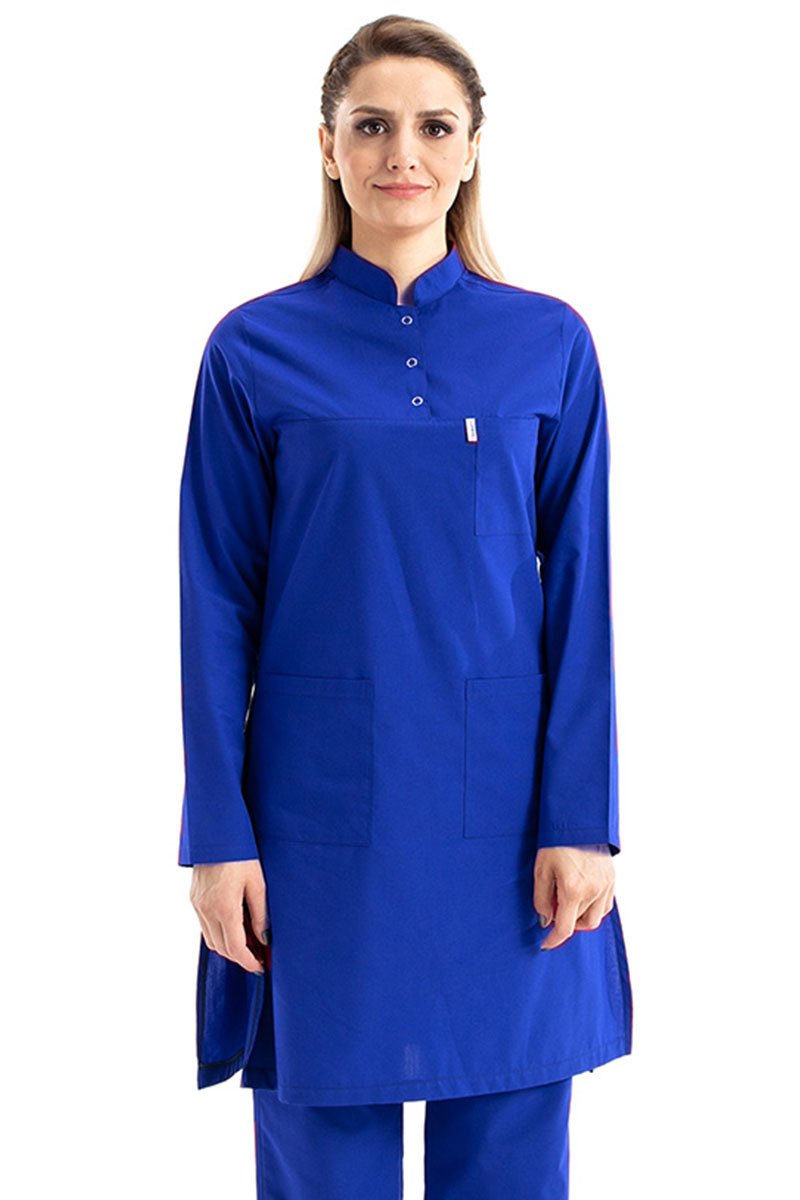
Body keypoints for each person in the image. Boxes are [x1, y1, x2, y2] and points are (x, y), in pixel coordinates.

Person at [177, 14, 633, 1199]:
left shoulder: (547, 343)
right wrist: (216, 835)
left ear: (471, 149)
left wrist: (582, 820)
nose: (401, 154)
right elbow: (214, 603)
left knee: (510, 1162)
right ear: (326, 147)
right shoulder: (252, 350)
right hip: (317, 824)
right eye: (370, 126)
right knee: (322, 1161)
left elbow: (580, 599)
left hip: (510, 828)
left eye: (433, 127)